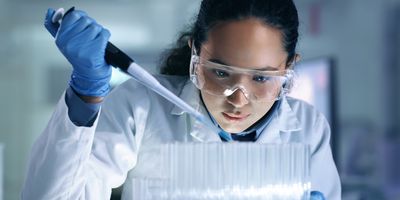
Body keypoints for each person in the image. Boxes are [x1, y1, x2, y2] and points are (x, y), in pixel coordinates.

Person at [22, 0, 341, 199]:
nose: (238, 100)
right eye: (220, 73)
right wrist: (85, 94)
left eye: (260, 78)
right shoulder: (142, 107)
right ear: (196, 54)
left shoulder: (308, 128)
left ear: (289, 68)